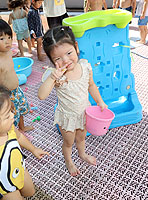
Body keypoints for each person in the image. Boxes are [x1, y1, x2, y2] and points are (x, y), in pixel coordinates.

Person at [38, 26, 107, 176]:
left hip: (84, 113)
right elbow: (41, 96)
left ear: (76, 47)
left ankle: (82, 154)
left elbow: (91, 85)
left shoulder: (85, 66)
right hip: (67, 117)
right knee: (69, 142)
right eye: (58, 58)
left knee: (81, 138)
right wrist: (52, 77)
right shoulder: (55, 75)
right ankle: (69, 161)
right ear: (51, 60)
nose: (66, 60)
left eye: (69, 53)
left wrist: (100, 102)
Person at [0, 18, 33, 132]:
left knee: (21, 110)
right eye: (2, 38)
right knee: (11, 116)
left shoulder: (8, 52)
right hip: (7, 95)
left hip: (17, 90)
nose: (8, 41)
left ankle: (22, 127)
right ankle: (13, 134)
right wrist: (6, 100)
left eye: (9, 37)